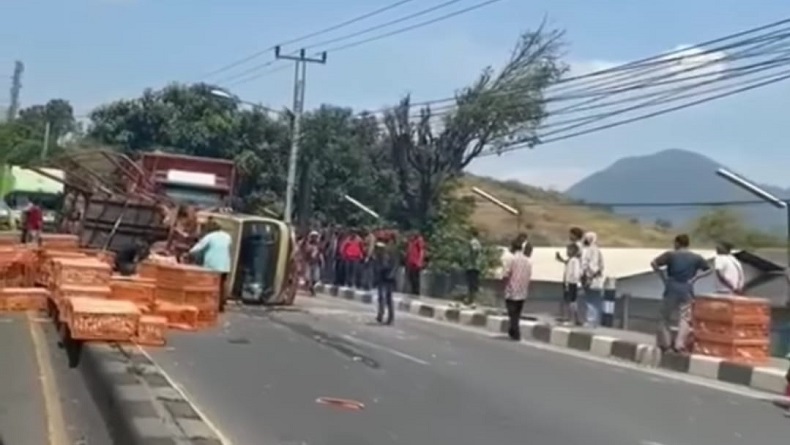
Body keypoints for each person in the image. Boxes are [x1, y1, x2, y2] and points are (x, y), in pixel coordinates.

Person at [651, 234, 711, 353]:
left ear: (677, 243)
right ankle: (679, 344)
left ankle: (666, 344)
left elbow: (654, 263)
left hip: (671, 288)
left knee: (664, 317)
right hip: (687, 289)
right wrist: (695, 278)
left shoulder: (670, 255)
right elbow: (709, 270)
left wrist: (663, 278)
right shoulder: (696, 257)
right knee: (685, 318)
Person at [189, 220, 233, 312]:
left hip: (212, 265)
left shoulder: (209, 236)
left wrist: (189, 252)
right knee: (221, 285)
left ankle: (208, 304)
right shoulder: (227, 236)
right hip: (225, 265)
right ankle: (221, 305)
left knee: (209, 286)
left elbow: (197, 248)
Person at [502, 239, 533, 341]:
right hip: (522, 291)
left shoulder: (512, 259)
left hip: (511, 290)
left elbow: (506, 273)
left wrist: (504, 283)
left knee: (512, 313)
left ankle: (515, 331)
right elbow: (529, 275)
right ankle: (513, 330)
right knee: (517, 313)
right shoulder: (528, 261)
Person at [581, 231, 605, 327]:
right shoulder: (596, 250)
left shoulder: (592, 250)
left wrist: (588, 276)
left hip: (591, 279)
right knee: (593, 299)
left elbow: (592, 265)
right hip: (594, 278)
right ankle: (593, 320)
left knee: (591, 299)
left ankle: (591, 320)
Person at [373, 239, 398, 325]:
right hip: (385, 278)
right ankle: (382, 315)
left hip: (386, 278)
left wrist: (380, 270)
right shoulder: (384, 255)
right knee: (384, 298)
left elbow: (386, 266)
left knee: (386, 298)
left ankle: (387, 316)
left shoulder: (385, 255)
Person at [561, 242, 582, 326]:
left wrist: (572, 282)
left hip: (572, 283)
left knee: (571, 301)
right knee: (572, 302)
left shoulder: (574, 261)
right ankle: (575, 319)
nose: (567, 252)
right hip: (569, 283)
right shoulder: (570, 260)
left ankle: (571, 319)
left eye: (568, 250)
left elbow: (575, 273)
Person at [465, 228, 483, 305]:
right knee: (474, 283)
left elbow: (474, 250)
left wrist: (472, 259)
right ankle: (471, 299)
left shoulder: (473, 242)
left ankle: (470, 300)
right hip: (476, 265)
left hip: (472, 266)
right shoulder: (478, 242)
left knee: (471, 283)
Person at [303, 231, 323, 296]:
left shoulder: (318, 245)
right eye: (313, 237)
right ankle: (311, 288)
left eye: (315, 237)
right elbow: (305, 252)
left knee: (316, 278)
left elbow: (320, 254)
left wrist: (321, 261)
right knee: (308, 277)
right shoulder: (307, 244)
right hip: (308, 263)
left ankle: (311, 287)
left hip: (315, 263)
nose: (314, 238)